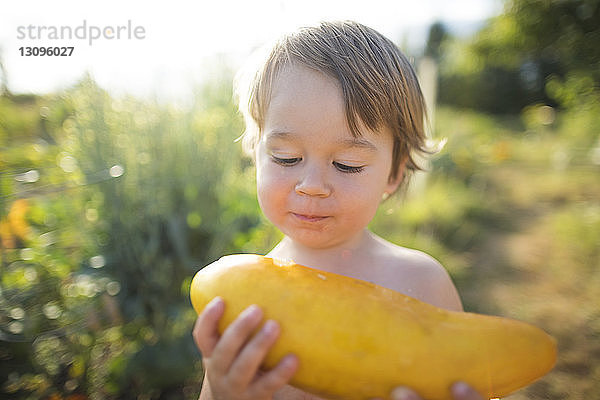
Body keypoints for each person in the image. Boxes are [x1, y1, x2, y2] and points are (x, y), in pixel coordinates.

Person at [193, 20, 485, 400]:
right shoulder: (246, 301)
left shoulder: (424, 284)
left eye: (347, 164)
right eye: (287, 157)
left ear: (394, 173)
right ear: (256, 154)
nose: (312, 184)